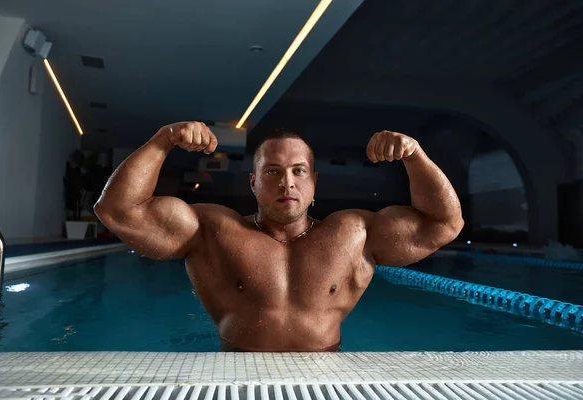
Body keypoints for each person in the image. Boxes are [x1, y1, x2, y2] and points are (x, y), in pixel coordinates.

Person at [94, 121, 464, 351]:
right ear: (253, 183)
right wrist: (163, 140)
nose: (287, 181)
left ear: (314, 182)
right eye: (272, 172)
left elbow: (444, 224)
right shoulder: (213, 232)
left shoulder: (354, 234)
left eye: (298, 171)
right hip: (235, 378)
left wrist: (415, 155)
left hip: (325, 379)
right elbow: (117, 211)